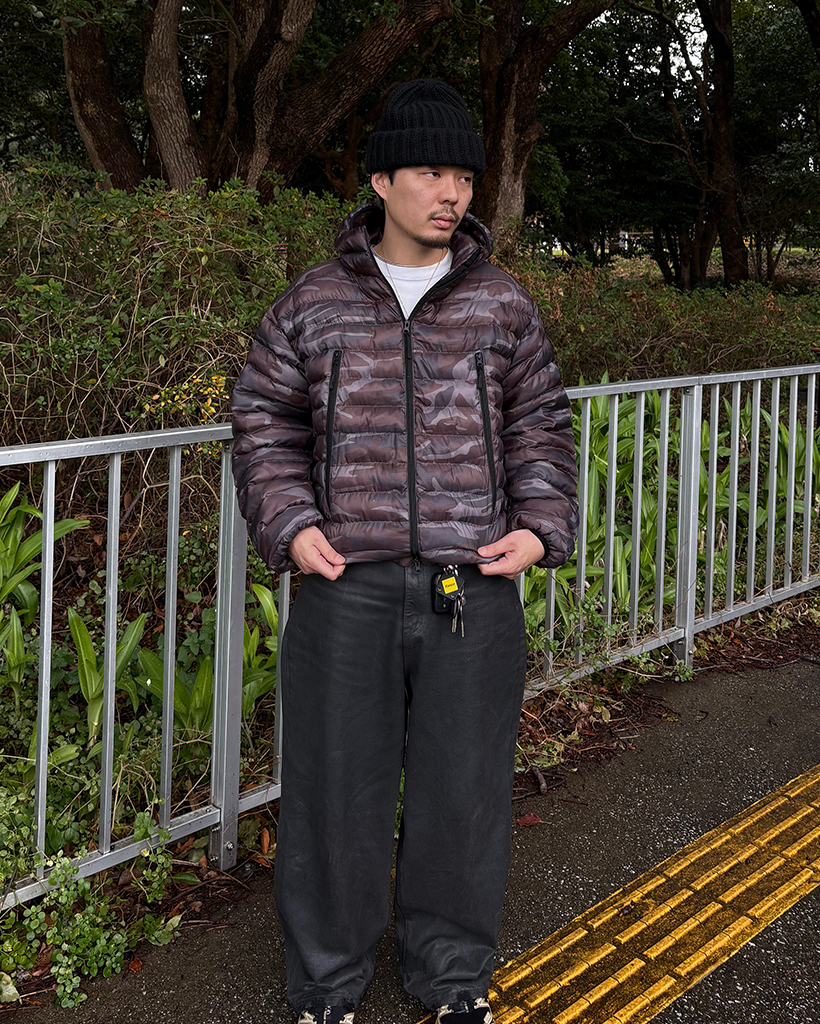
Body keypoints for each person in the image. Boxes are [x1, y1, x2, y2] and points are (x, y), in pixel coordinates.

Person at [231, 79, 578, 1024]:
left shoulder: (502, 305)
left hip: (474, 584)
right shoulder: (313, 304)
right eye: (430, 171)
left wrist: (540, 526)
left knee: (463, 793)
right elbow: (263, 422)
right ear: (381, 181)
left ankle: (453, 978)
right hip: (347, 583)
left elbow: (541, 426)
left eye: (463, 174)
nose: (451, 192)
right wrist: (291, 524)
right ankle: (326, 986)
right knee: (333, 790)